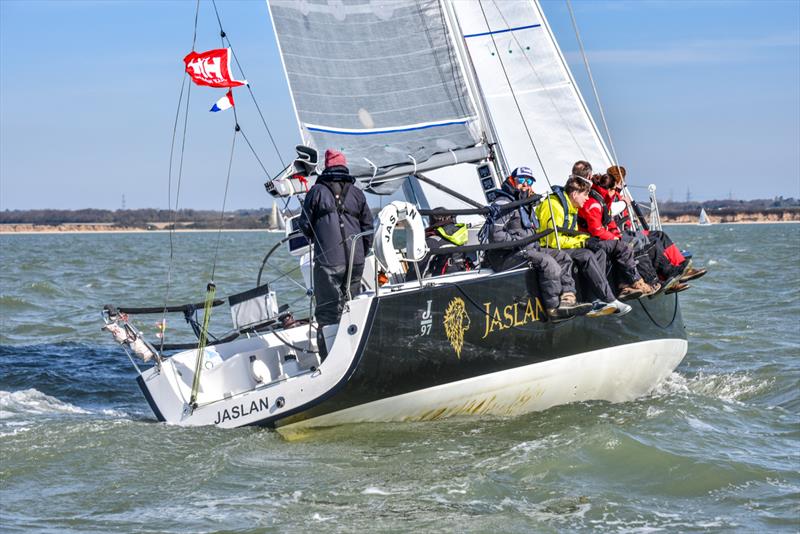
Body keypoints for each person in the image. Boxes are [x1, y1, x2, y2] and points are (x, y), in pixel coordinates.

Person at [484, 167, 593, 320]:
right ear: (512, 180)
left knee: (562, 257)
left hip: (528, 248)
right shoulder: (504, 203)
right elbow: (495, 236)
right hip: (506, 255)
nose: (525, 184)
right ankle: (553, 308)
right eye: (521, 180)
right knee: (547, 262)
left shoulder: (524, 203)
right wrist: (518, 242)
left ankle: (568, 299)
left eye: (529, 181)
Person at [298, 149, 373, 357]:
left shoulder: (316, 191)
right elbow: (368, 227)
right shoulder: (358, 193)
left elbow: (304, 225)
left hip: (329, 263)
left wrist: (317, 239)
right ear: (344, 166)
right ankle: (356, 354)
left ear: (327, 166)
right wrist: (362, 253)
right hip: (356, 262)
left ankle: (329, 359)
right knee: (353, 308)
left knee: (328, 313)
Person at [535, 176, 632, 316]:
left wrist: (588, 240)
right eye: (585, 194)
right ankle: (610, 299)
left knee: (599, 252)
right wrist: (583, 242)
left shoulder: (571, 206)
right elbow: (552, 240)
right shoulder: (554, 206)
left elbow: (572, 234)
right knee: (586, 255)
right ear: (575, 194)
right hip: (548, 247)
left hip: (562, 244)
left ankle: (595, 300)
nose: (587, 199)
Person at [606, 165, 707, 289]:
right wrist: (623, 203)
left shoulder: (618, 195)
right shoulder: (609, 197)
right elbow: (610, 214)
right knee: (653, 243)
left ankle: (681, 268)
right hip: (620, 236)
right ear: (619, 181)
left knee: (660, 235)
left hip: (629, 232)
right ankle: (668, 277)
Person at [572, 160, 656, 298]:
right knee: (626, 246)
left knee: (637, 241)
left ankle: (639, 282)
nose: (615, 192)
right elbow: (597, 230)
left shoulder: (600, 198)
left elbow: (608, 219)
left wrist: (615, 234)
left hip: (600, 236)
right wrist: (614, 237)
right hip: (590, 239)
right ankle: (641, 282)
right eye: (613, 190)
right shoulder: (594, 202)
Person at [406, 209, 474, 281]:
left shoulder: (431, 242)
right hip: (463, 278)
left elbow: (415, 274)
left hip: (440, 285)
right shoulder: (460, 236)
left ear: (432, 222)